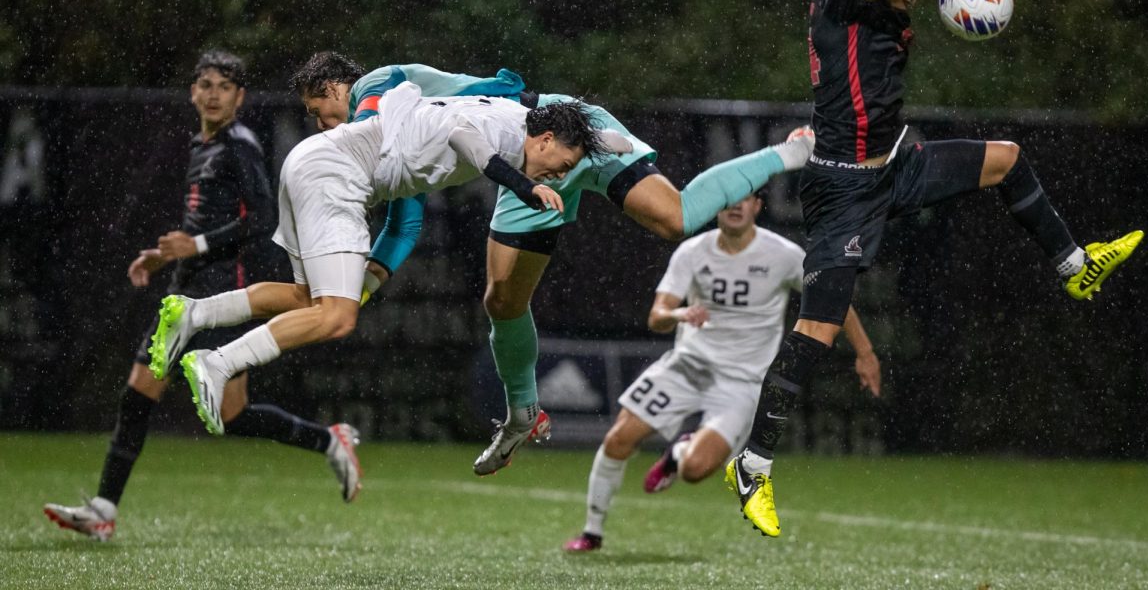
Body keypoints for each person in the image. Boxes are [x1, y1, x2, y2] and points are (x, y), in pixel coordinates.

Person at [726, 0, 1145, 538]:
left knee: (1005, 158)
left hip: (897, 165)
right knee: (820, 331)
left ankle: (1075, 266)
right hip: (842, 188)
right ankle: (752, 463)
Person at [274, 52, 816, 476]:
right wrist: (360, 287)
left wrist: (343, 269)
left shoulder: (373, 92)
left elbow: (443, 107)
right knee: (503, 300)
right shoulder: (393, 129)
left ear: (335, 88)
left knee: (672, 219)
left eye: (316, 109)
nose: (320, 124)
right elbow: (405, 223)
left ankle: (784, 155)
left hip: (554, 136)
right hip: (526, 160)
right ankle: (521, 416)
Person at [153, 82, 610, 437]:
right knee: (335, 318)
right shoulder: (505, 132)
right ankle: (218, 362)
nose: (560, 175)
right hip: (335, 178)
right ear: (545, 137)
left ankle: (194, 313)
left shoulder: (517, 119)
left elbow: (402, 224)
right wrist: (523, 185)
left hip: (310, 165)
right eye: (563, 164)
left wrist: (616, 145)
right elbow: (464, 137)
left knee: (306, 296)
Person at [43, 51, 362, 543]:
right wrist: (166, 255)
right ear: (193, 91)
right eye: (206, 84)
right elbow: (206, 223)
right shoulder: (203, 143)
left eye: (224, 86)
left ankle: (104, 509)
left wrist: (196, 246)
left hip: (221, 290)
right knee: (224, 413)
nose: (213, 94)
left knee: (142, 392)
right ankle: (328, 440)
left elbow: (261, 220)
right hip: (190, 285)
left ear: (241, 97)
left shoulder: (239, 145)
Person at [561, 192, 880, 552]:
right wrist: (680, 314)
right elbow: (657, 317)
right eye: (728, 197)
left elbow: (833, 299)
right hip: (687, 367)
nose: (736, 205)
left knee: (695, 470)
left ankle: (679, 452)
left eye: (746, 199)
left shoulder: (784, 255)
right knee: (618, 439)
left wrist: (865, 353)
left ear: (758, 206)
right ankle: (592, 532)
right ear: (717, 205)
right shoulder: (692, 252)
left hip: (741, 384)